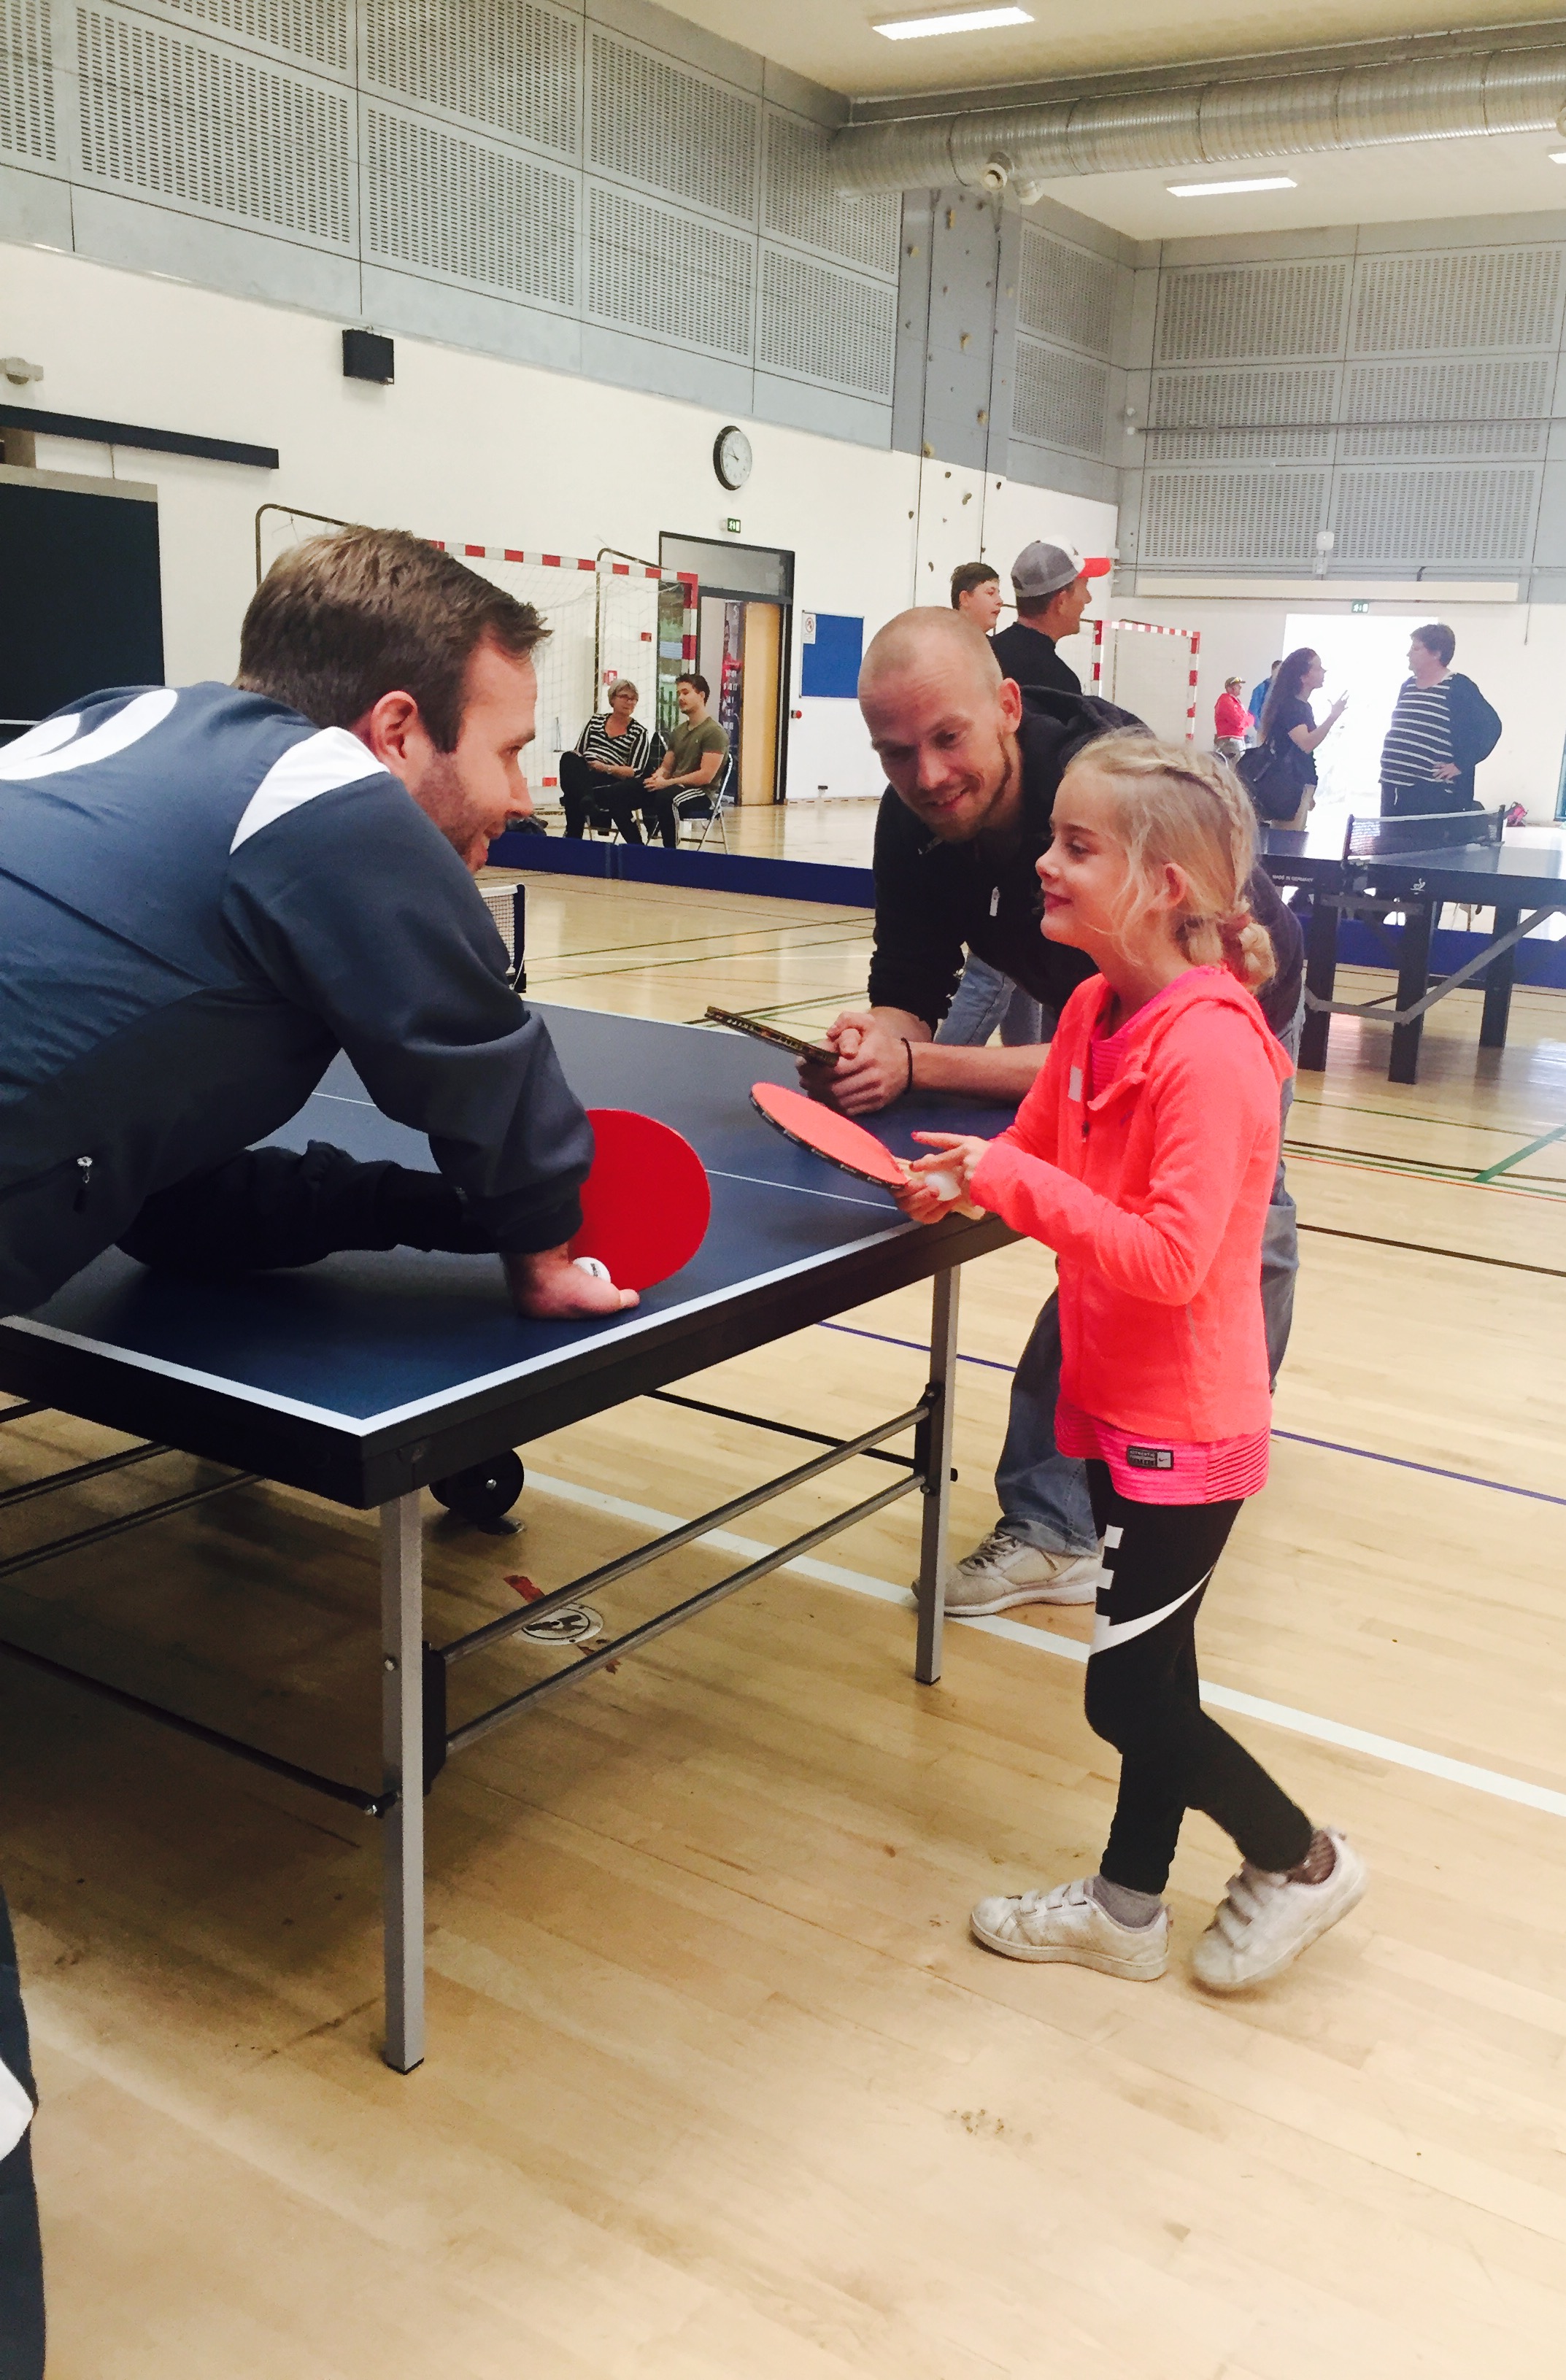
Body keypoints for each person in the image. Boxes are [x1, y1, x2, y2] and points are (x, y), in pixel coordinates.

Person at [0, 530, 646, 2361]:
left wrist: (453, 1231)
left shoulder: (126, 744)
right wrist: (536, 1228)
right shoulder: (330, 800)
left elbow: (188, 1204)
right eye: (510, 751)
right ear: (394, 730)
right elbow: (488, 1059)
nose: (520, 799)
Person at [895, 733, 1367, 1993]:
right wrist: (962, 1176)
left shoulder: (1208, 1051)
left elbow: (1167, 1257)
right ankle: (1124, 1906)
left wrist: (1004, 1178)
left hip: (1188, 1434)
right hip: (1117, 1411)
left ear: (1162, 885)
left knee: (1124, 1697)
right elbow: (1041, 1151)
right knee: (1165, 1669)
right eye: (1051, 837)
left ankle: (1302, 1858)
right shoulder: (1099, 1011)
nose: (1041, 864)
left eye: (1075, 846)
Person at [798, 609, 1305, 1618]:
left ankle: (1154, 1474)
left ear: (1006, 707)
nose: (927, 775)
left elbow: (1123, 1051)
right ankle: (1072, 1505)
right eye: (895, 754)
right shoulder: (916, 822)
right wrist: (880, 1045)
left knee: (1225, 1243)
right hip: (1096, 992)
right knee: (1101, 1258)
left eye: (947, 739)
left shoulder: (1097, 796)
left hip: (1229, 995)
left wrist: (931, 1071)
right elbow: (911, 979)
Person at [1378, 623, 1501, 817]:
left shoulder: (1458, 687)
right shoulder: (1408, 686)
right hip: (1393, 785)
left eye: (1416, 648)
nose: (1409, 654)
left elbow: (1491, 727)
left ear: (1436, 654)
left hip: (1429, 791)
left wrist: (1461, 764)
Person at [989, 540, 1111, 694]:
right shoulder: (1058, 684)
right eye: (1085, 586)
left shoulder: (987, 653)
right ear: (1062, 602)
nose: (1088, 598)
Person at [1255, 646, 1346, 828]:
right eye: (1318, 668)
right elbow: (1306, 743)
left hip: (1296, 784)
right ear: (1303, 676)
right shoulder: (1292, 707)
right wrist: (1332, 717)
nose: (1323, 672)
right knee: (1287, 845)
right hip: (1288, 787)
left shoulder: (1300, 706)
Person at [559, 677, 655, 841]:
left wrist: (605, 767)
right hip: (586, 773)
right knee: (568, 757)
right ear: (612, 699)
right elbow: (579, 752)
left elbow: (636, 771)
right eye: (624, 697)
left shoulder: (639, 732)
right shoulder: (595, 721)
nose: (629, 702)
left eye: (633, 699)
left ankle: (574, 835)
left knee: (573, 796)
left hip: (611, 779)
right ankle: (587, 798)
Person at [639, 673, 728, 848]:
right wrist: (658, 778)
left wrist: (668, 783)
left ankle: (671, 853)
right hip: (674, 786)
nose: (680, 698)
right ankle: (636, 847)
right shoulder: (678, 731)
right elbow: (666, 766)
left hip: (700, 793)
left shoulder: (714, 732)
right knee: (631, 790)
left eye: (686, 693)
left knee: (667, 797)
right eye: (679, 693)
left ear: (701, 696)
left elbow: (705, 777)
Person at [950, 560, 1003, 633]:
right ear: (965, 599)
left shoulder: (997, 644)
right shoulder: (939, 641)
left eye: (998, 594)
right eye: (990, 593)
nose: (1000, 601)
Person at [1213, 676, 1252, 762]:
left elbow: (1251, 719)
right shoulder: (1225, 701)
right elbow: (1239, 721)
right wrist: (1244, 721)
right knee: (1236, 769)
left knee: (1238, 767)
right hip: (1230, 742)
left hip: (1237, 740)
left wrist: (1244, 721)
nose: (1240, 687)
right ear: (1230, 688)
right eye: (1237, 685)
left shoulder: (1235, 702)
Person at [1249, 661, 1278, 739]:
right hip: (1265, 734)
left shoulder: (1285, 690)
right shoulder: (1262, 688)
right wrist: (1261, 730)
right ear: (1273, 670)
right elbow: (1253, 711)